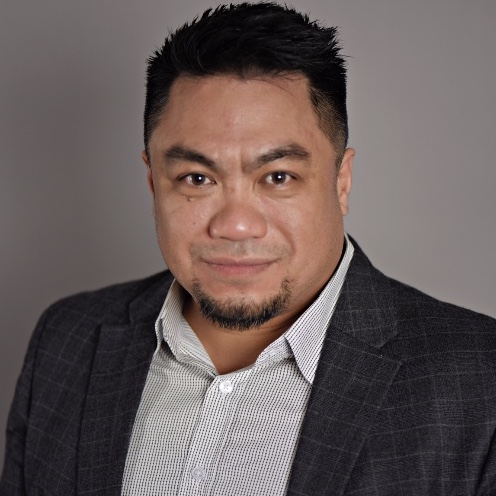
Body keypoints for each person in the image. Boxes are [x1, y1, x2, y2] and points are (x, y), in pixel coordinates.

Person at [1, 2, 495, 495]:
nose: (236, 226)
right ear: (154, 183)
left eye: (277, 177)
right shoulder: (66, 341)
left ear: (341, 182)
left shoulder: (479, 380)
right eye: (197, 178)